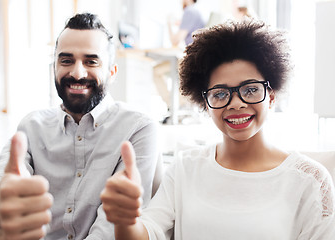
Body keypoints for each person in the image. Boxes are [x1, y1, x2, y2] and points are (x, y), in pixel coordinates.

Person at [100, 19, 335, 239]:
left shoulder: (310, 181)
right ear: (205, 103)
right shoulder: (185, 169)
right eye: (221, 94)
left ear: (271, 97)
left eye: (251, 89)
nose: (236, 103)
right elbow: (147, 233)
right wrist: (125, 221)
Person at [0, 13, 159, 240]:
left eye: (91, 61)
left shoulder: (138, 128)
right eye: (66, 60)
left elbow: (110, 231)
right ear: (55, 67)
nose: (77, 73)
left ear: (112, 72)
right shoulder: (32, 126)